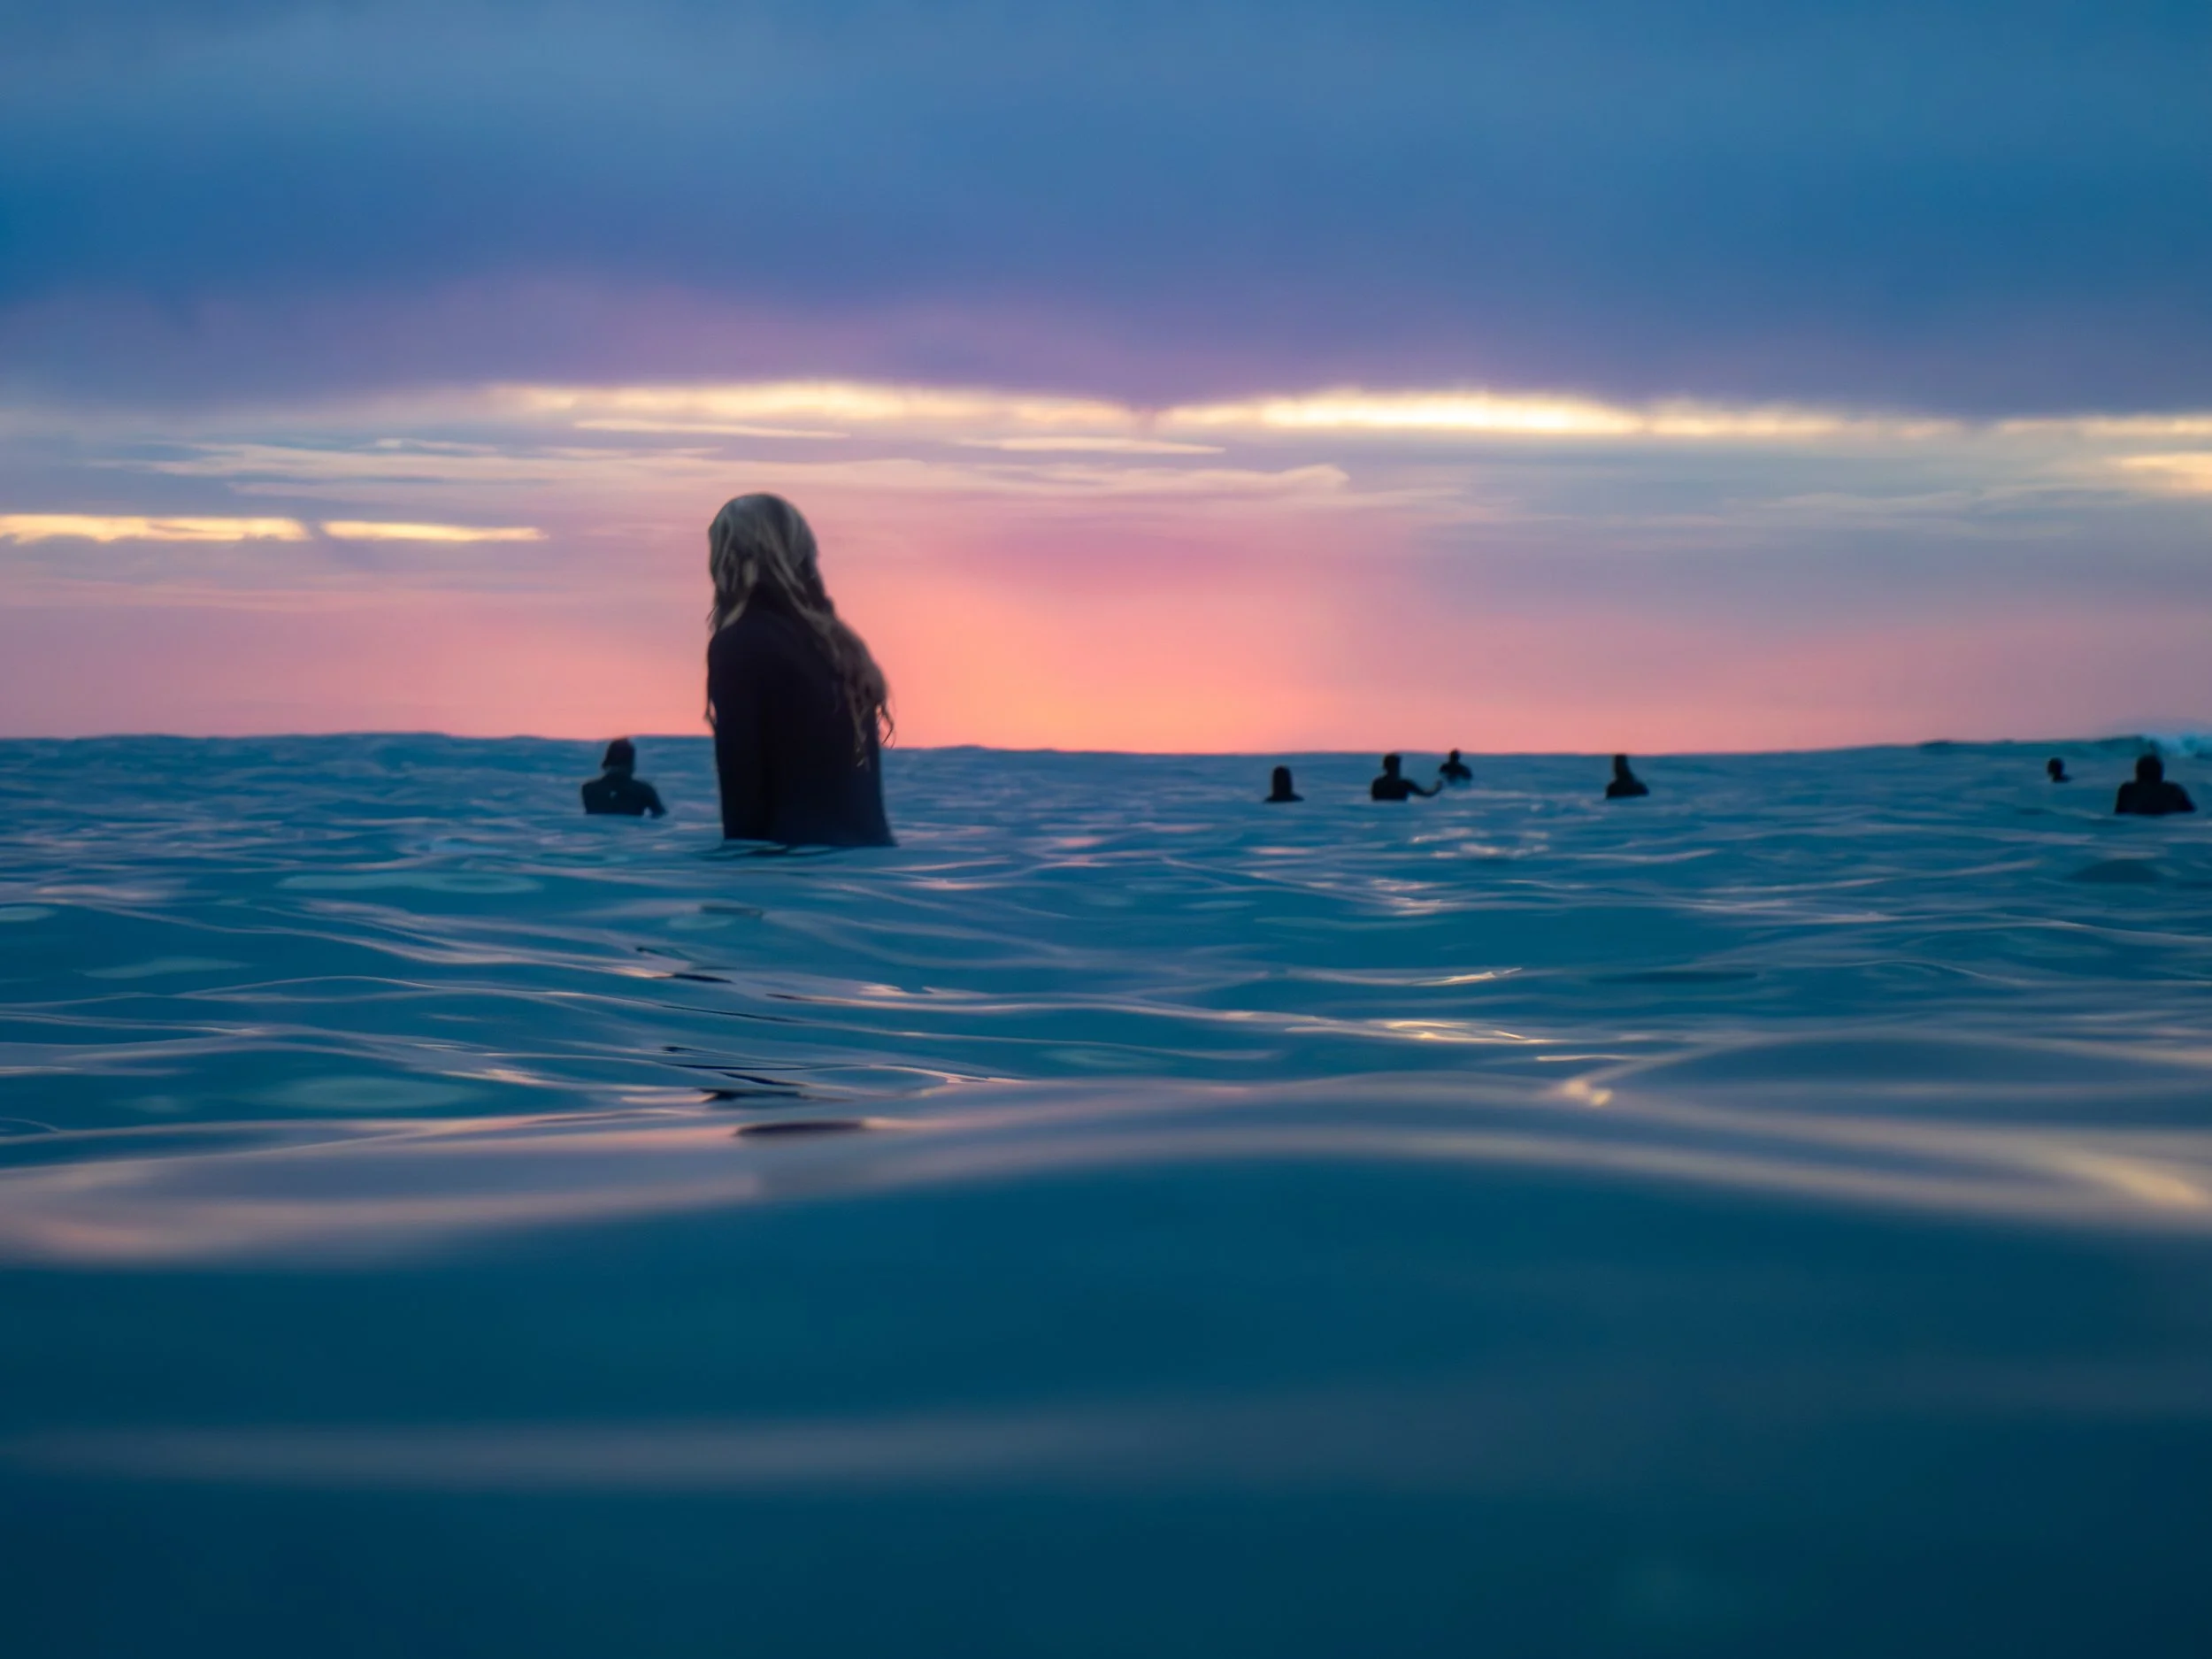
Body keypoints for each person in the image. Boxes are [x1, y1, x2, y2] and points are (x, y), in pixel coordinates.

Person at [705, 494, 895, 847]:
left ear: (728, 556)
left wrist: (737, 877)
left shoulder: (739, 643)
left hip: (790, 863)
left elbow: (742, 780)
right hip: (867, 862)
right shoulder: (841, 645)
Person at [581, 738, 666, 818]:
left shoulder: (588, 788)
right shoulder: (643, 790)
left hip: (597, 832)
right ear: (631, 764)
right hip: (632, 832)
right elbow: (660, 817)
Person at [2114, 754, 2195, 817]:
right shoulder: (2173, 790)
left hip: (2136, 826)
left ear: (2137, 772)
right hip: (2166, 825)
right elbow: (2190, 812)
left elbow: (2119, 814)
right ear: (2160, 772)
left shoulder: (2127, 790)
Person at [1371, 754, 1439, 801]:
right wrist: (1437, 787)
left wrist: (1437, 788)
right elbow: (1426, 794)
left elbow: (1426, 794)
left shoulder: (1378, 783)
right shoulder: (1404, 784)